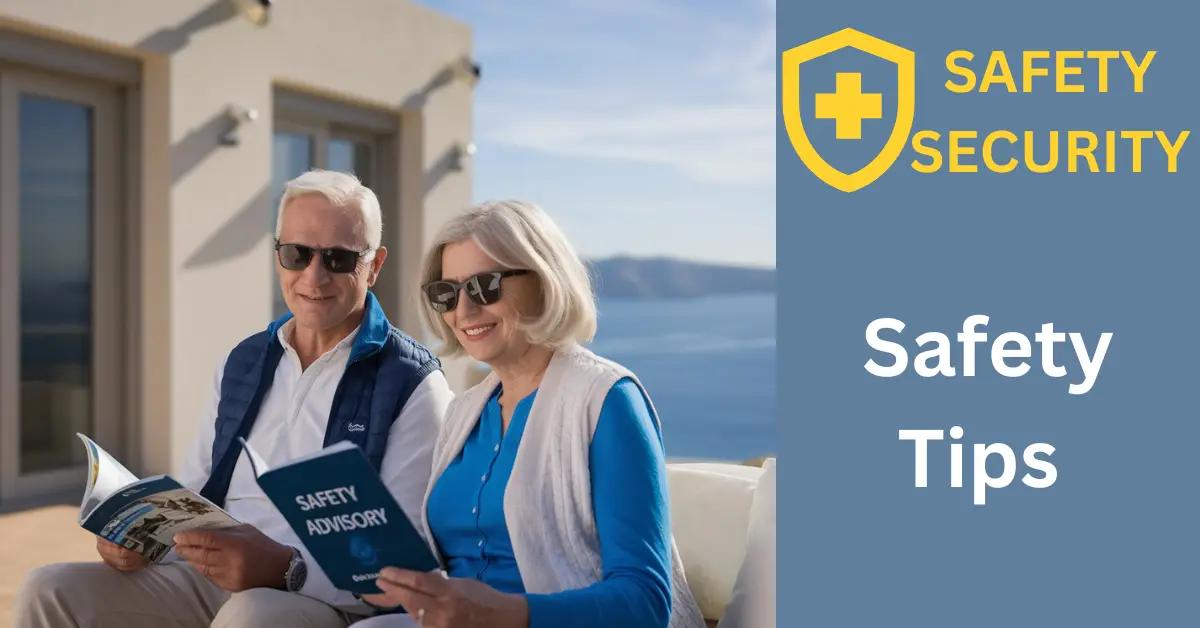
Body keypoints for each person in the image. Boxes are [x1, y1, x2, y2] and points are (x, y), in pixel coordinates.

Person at [13, 170, 451, 628]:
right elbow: (194, 491)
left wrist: (287, 569)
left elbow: (403, 571)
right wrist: (142, 541)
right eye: (296, 254)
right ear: (278, 253)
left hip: (327, 602)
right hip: (208, 580)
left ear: (374, 265)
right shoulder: (244, 362)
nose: (313, 276)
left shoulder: (413, 385)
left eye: (339, 259)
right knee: (49, 589)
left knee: (252, 613)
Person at [355, 201, 704, 628]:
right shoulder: (464, 412)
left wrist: (501, 614)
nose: (464, 311)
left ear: (543, 280)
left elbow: (645, 603)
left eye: (485, 286)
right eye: (447, 293)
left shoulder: (607, 400)